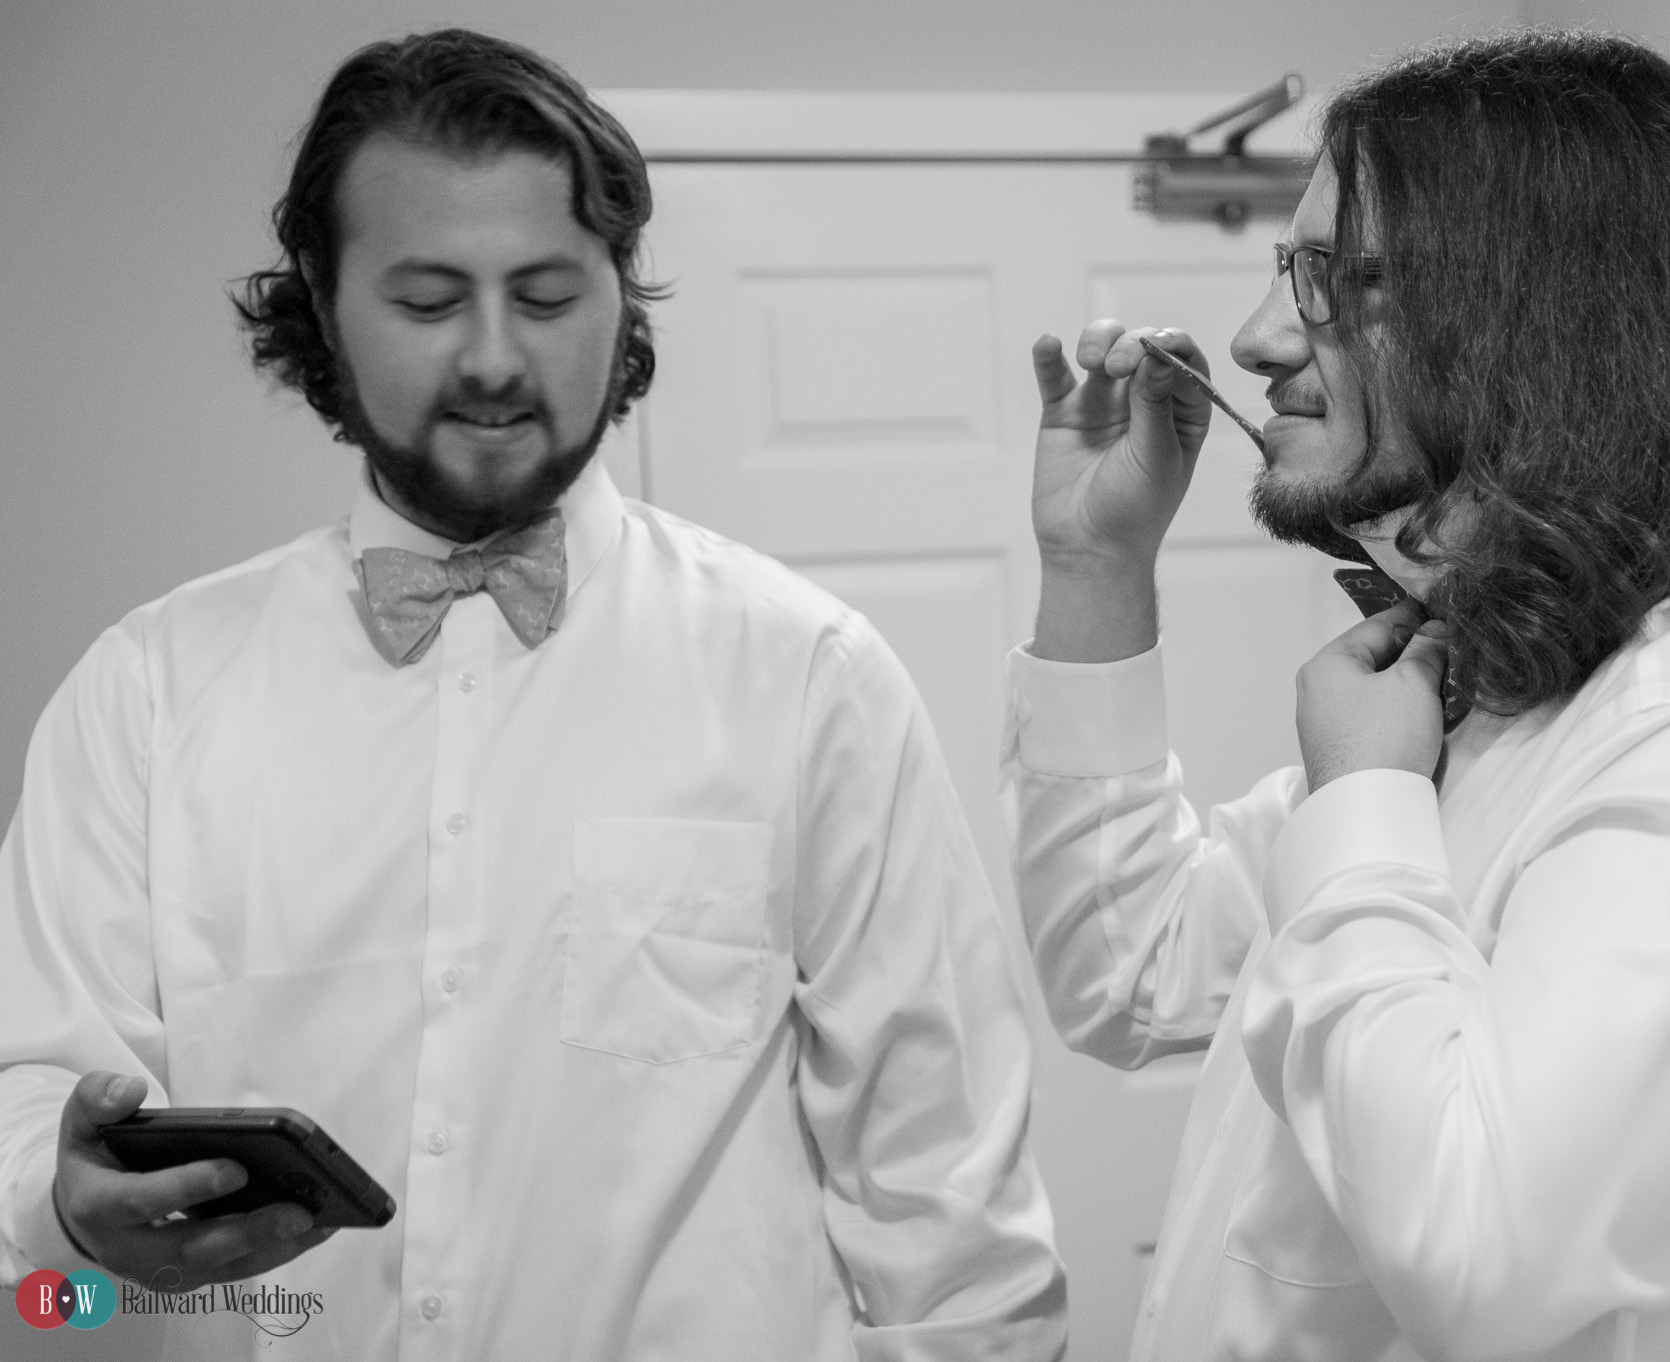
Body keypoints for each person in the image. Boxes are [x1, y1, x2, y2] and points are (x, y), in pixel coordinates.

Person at [0, 29, 1064, 1360]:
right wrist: (66, 1196)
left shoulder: (808, 676)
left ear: (623, 302)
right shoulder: (143, 694)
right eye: (431, 300)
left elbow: (949, 1211)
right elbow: (28, 1080)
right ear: (323, 306)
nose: (496, 358)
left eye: (549, 296)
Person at [1007, 29, 1670, 1362]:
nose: (1251, 342)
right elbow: (1126, 968)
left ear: (1553, 326)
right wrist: (1094, 566)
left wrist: (1359, 802)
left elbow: (1488, 1258)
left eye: (1335, 285)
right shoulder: (1494, 681)